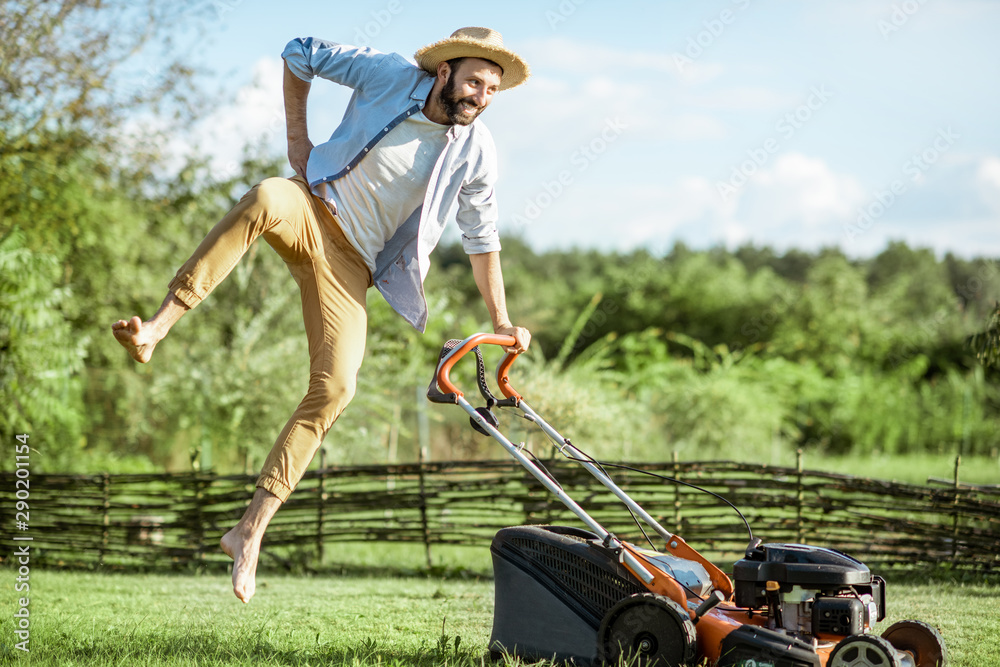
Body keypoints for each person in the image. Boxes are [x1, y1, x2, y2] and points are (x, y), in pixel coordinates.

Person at [111, 27, 532, 603]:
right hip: (309, 207)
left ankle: (249, 533)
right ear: (445, 73)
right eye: (475, 81)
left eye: (492, 90)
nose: (481, 96)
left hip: (351, 266)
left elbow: (482, 240)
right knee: (263, 196)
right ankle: (156, 329)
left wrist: (504, 321)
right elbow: (299, 53)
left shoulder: (476, 151)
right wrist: (297, 142)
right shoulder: (387, 73)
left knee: (336, 388)